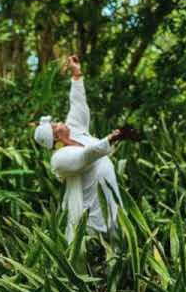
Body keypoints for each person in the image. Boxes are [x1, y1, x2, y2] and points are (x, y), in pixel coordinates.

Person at [34, 55, 135, 243]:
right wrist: (110, 139)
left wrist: (76, 74)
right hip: (92, 213)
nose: (60, 122)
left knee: (119, 241)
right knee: (99, 252)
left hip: (110, 199)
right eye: (56, 126)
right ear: (56, 137)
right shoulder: (59, 159)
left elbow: (78, 103)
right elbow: (87, 155)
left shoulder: (75, 130)